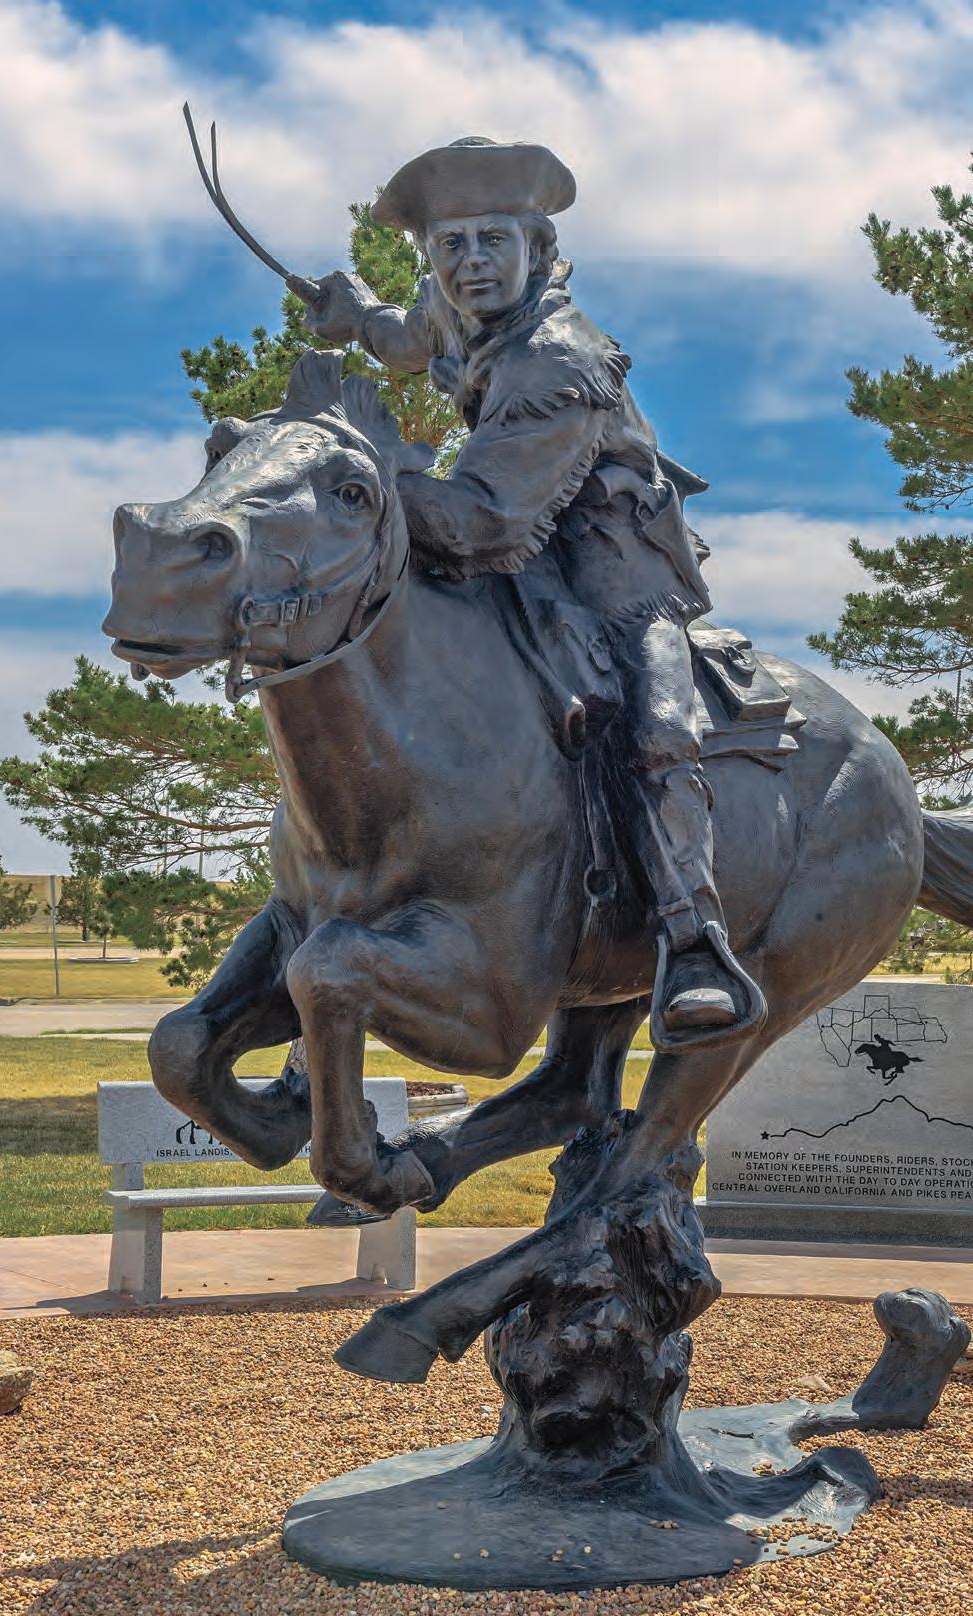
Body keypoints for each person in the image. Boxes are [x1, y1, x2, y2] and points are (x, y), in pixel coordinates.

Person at [299, 136, 764, 1049]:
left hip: (613, 563)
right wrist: (355, 316)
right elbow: (410, 337)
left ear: (537, 247)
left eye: (491, 242)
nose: (471, 262)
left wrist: (359, 489)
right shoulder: (454, 299)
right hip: (517, 541)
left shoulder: (560, 361)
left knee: (659, 728)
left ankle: (694, 940)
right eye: (451, 245)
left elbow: (483, 520)